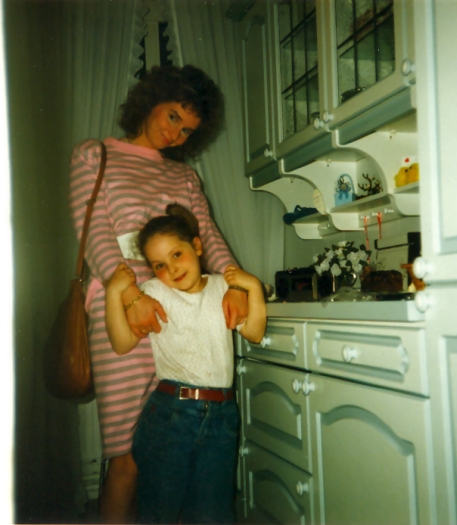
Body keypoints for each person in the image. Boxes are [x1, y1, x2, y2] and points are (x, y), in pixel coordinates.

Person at [68, 65, 248, 522]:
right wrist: (130, 298)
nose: (176, 134)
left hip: (187, 313)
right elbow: (95, 236)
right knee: (126, 455)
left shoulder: (185, 177)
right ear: (152, 99)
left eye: (187, 130)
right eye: (173, 117)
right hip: (124, 309)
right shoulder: (94, 155)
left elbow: (209, 237)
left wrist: (235, 283)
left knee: (176, 448)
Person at [104, 204, 266, 524]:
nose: (172, 269)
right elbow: (122, 343)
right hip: (170, 416)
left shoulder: (224, 287)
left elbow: (255, 332)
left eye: (177, 254)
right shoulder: (153, 292)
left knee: (212, 512)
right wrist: (113, 293)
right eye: (160, 265)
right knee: (158, 510)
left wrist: (254, 287)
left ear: (197, 246)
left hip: (222, 417)